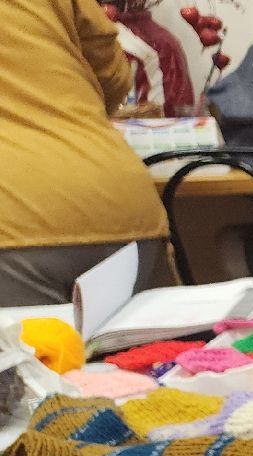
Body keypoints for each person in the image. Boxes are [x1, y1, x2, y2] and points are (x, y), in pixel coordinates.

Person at [0, 0, 171, 306]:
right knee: (135, 355)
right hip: (119, 203)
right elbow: (114, 76)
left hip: (14, 222)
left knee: (31, 354)